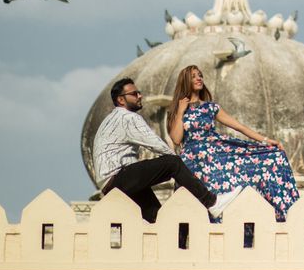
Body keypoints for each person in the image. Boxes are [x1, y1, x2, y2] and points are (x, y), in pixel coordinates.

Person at [92, 77, 243, 223]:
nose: (140, 96)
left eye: (139, 92)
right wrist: (182, 166)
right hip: (119, 178)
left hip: (113, 184)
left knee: (159, 220)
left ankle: (181, 244)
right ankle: (212, 202)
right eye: (134, 94)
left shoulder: (110, 119)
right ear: (121, 100)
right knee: (173, 163)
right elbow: (156, 144)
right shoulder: (128, 117)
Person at [168, 65, 300, 221]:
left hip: (214, 159)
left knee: (221, 195)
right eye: (194, 76)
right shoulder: (178, 109)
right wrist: (181, 111)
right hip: (192, 162)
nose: (199, 78)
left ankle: (289, 216)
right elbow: (176, 139)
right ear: (185, 81)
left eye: (200, 75)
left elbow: (239, 127)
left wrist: (266, 140)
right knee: (194, 205)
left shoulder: (210, 107)